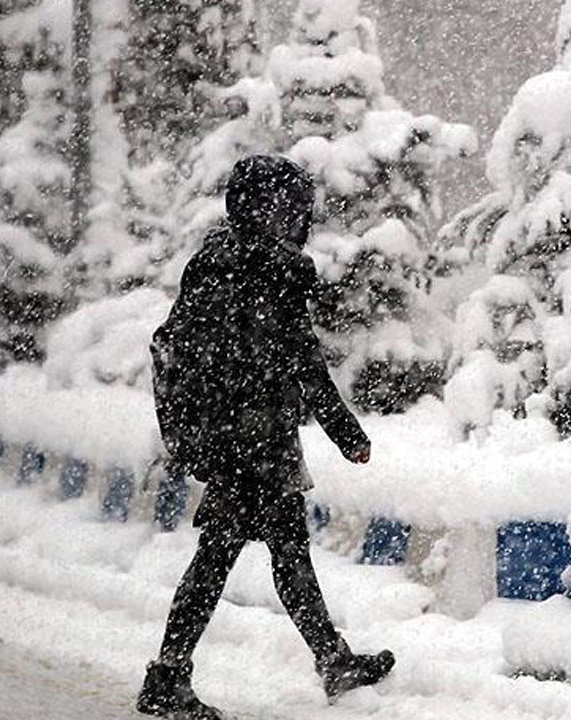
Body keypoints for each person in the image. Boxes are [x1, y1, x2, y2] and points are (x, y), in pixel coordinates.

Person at [139, 155, 394, 720]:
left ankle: (330, 660)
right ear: (259, 210)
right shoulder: (244, 272)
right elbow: (285, 361)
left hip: (256, 441)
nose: (296, 220)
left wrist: (342, 433)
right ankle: (169, 675)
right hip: (244, 447)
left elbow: (296, 361)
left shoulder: (248, 268)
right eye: (288, 209)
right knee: (227, 559)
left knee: (279, 552)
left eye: (298, 211)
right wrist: (198, 436)